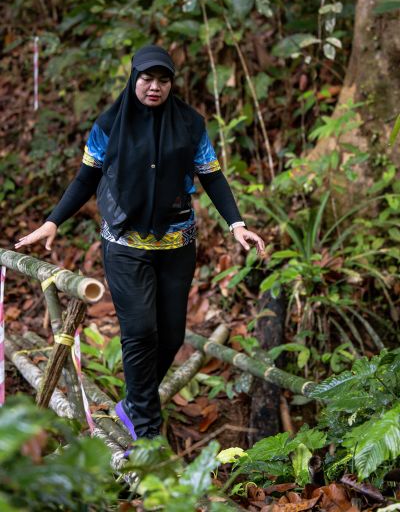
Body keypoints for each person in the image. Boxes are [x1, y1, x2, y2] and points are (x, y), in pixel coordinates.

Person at [15, 45, 265, 443]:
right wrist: (53, 221)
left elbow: (212, 175)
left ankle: (133, 405)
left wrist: (236, 224)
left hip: (177, 244)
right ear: (134, 78)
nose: (154, 87)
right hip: (125, 244)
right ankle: (146, 433)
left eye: (163, 80)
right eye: (147, 78)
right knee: (140, 331)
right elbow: (86, 178)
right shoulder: (108, 124)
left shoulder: (190, 124)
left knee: (172, 336)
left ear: (171, 84)